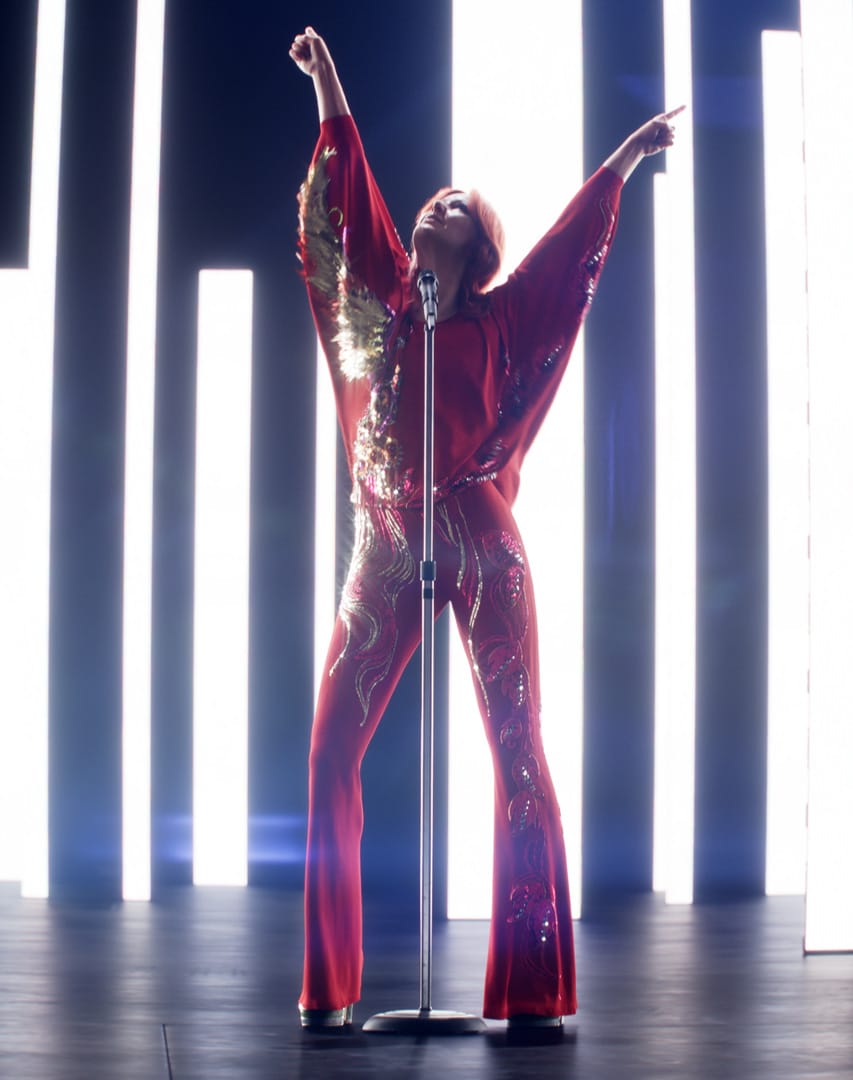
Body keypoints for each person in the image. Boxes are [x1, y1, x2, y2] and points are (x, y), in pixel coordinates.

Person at [290, 25, 681, 1029]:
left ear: (479, 247)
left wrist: (624, 161)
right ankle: (327, 989)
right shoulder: (386, 292)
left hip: (476, 537)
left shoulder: (504, 320)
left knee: (517, 749)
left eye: (456, 207)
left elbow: (565, 254)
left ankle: (534, 991)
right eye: (433, 200)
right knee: (330, 749)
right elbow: (351, 204)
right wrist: (330, 83)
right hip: (387, 541)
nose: (436, 205)